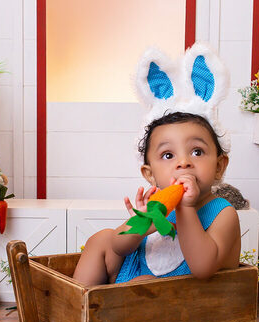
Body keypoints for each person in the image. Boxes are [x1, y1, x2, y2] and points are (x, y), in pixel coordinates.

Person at [72, 111, 240, 285]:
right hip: (132, 277)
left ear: (219, 167)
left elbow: (203, 268)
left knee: (146, 282)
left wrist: (186, 208)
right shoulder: (158, 203)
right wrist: (142, 224)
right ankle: (81, 299)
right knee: (102, 239)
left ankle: (110, 299)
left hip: (185, 294)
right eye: (168, 155)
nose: (183, 162)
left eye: (197, 152)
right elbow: (118, 247)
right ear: (150, 175)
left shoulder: (223, 213)